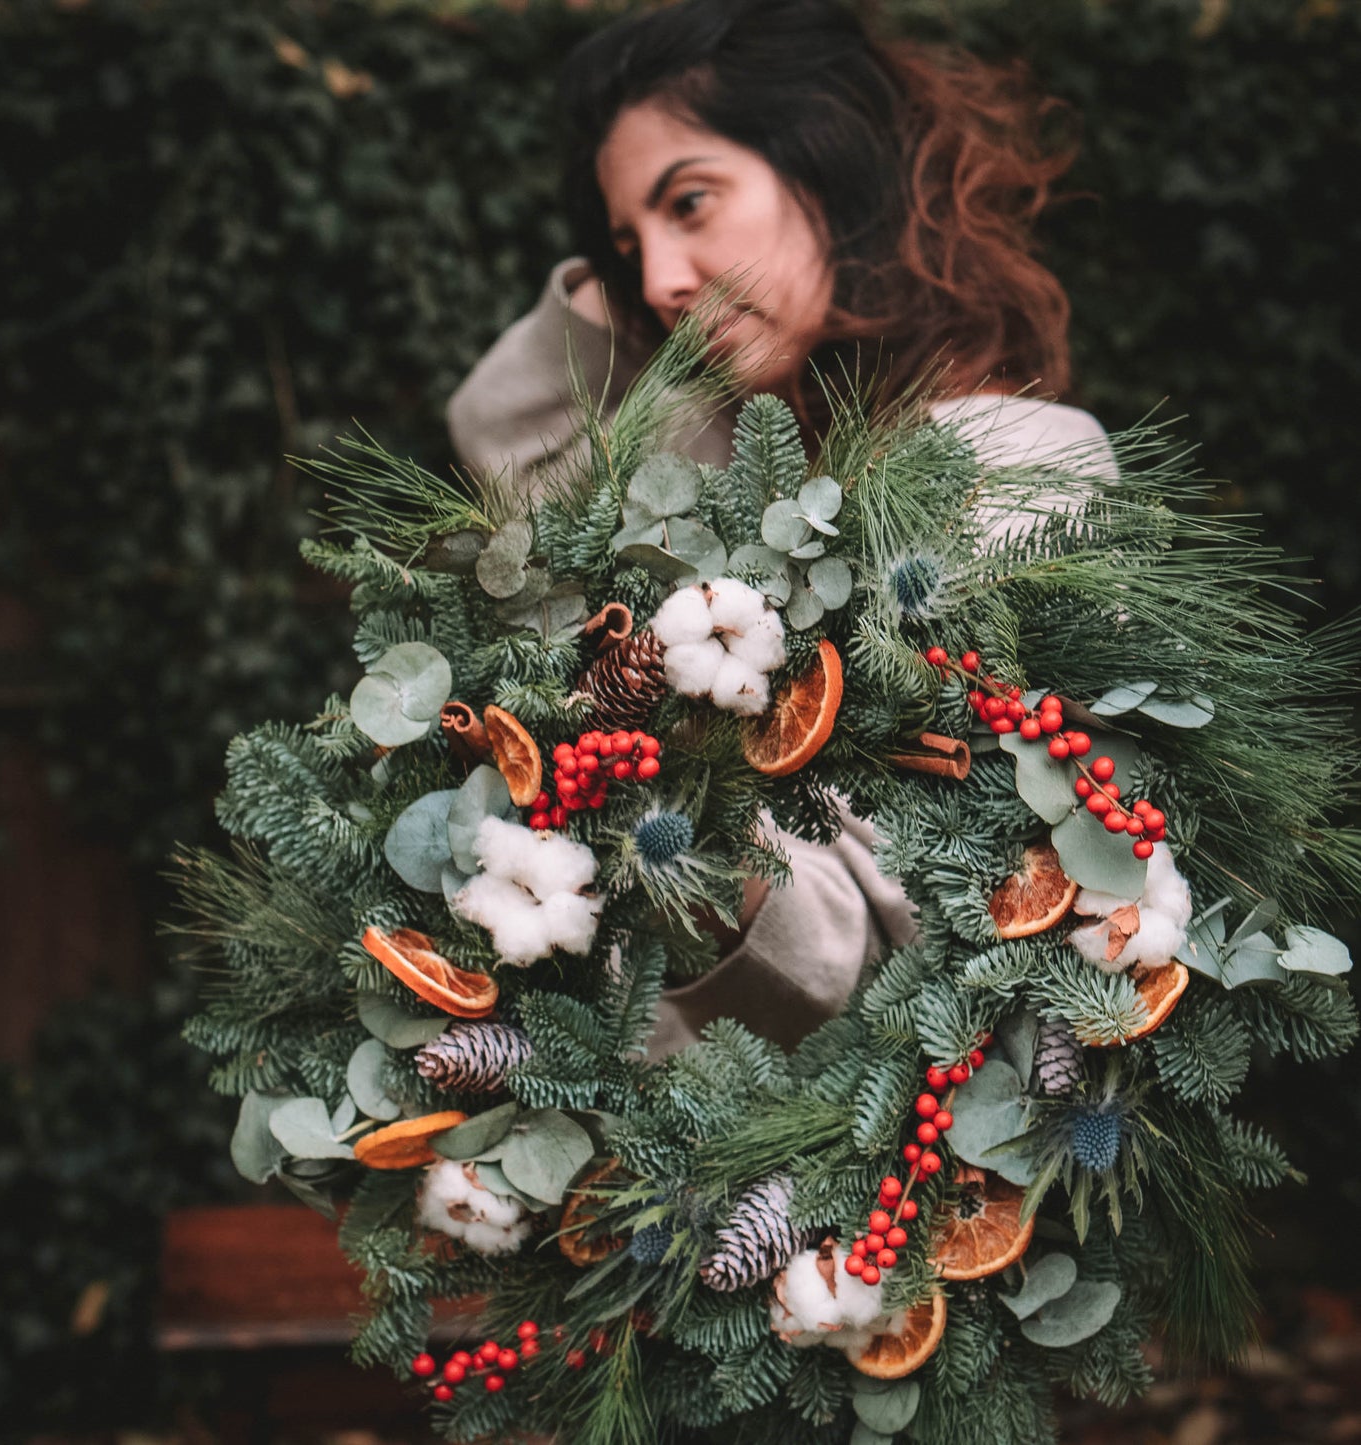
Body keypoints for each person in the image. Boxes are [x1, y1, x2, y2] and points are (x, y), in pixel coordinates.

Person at [447, 0, 1116, 1056]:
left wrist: (677, 838)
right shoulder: (719, 463)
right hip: (643, 1178)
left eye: (692, 202)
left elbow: (956, 917)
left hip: (904, 1185)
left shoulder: (1013, 464)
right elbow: (512, 464)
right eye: (632, 248)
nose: (662, 279)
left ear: (825, 163)